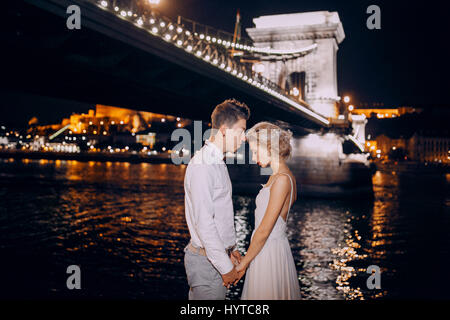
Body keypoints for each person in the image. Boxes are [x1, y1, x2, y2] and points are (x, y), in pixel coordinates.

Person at [183, 98, 250, 300]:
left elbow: (221, 215)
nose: (244, 137)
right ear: (223, 130)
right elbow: (204, 222)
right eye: (240, 130)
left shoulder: (216, 162)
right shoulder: (203, 165)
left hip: (215, 259)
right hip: (208, 264)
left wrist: (232, 248)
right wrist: (225, 267)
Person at [236, 121, 301, 300]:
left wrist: (243, 264)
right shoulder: (279, 176)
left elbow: (264, 230)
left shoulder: (282, 179)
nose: (253, 157)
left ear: (269, 146)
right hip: (265, 250)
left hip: (268, 252)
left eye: (256, 151)